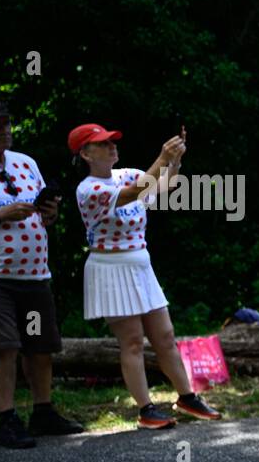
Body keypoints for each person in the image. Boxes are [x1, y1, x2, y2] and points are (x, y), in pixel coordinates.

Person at [72, 122, 223, 429]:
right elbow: (138, 191)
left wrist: (175, 159)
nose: (112, 146)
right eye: (103, 143)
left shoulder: (125, 172)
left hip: (141, 265)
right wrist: (161, 156)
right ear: (86, 153)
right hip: (111, 269)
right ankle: (145, 409)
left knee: (165, 336)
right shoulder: (88, 189)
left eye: (113, 141)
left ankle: (186, 397)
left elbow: (165, 185)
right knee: (132, 343)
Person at [0, 99, 84, 448]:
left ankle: (42, 412)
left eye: (6, 124)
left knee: (39, 346)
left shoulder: (25, 163)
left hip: (34, 276)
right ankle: (7, 418)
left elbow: (47, 219)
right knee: (4, 347)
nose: (3, 130)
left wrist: (50, 211)